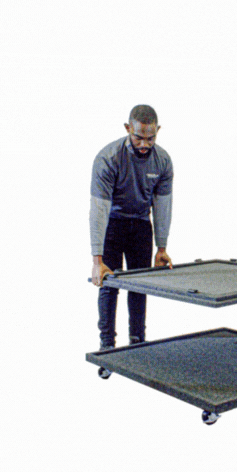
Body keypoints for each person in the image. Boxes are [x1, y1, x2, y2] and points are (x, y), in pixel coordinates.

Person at [90, 104, 173, 349]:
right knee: (109, 284)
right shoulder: (108, 158)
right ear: (128, 129)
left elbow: (163, 205)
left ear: (158, 131)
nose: (145, 144)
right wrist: (97, 261)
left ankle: (138, 342)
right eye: (138, 138)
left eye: (151, 138)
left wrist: (161, 248)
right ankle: (107, 346)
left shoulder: (163, 161)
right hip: (112, 224)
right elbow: (99, 209)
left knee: (139, 285)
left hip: (141, 226)